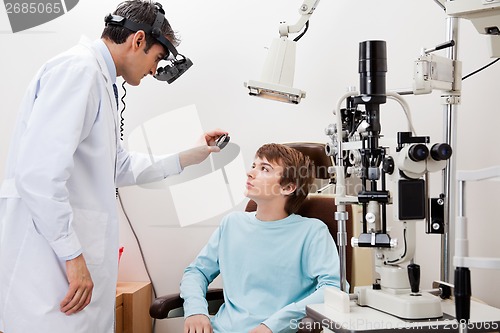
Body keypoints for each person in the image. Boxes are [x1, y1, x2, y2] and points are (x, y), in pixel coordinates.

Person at [0, 1, 226, 332]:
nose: (154, 70)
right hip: (49, 275)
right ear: (137, 40)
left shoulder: (98, 78)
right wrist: (72, 256)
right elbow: (38, 175)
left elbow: (115, 164)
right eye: (157, 58)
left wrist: (189, 156)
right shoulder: (79, 71)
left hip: (71, 272)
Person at [180, 143, 344, 333]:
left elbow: (333, 289)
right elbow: (197, 272)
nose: (250, 173)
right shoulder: (232, 224)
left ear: (288, 187)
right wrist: (195, 310)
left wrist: (272, 325)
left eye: (265, 169)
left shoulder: (312, 232)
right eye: (253, 166)